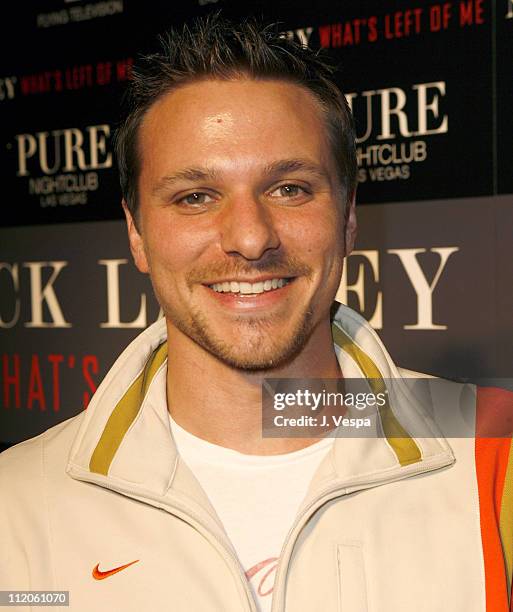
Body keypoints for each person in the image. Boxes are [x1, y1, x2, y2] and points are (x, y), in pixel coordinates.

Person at [1, 14, 512, 612]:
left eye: (289, 188)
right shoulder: (17, 502)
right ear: (136, 233)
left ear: (348, 216)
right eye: (195, 197)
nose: (248, 237)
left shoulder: (495, 451)